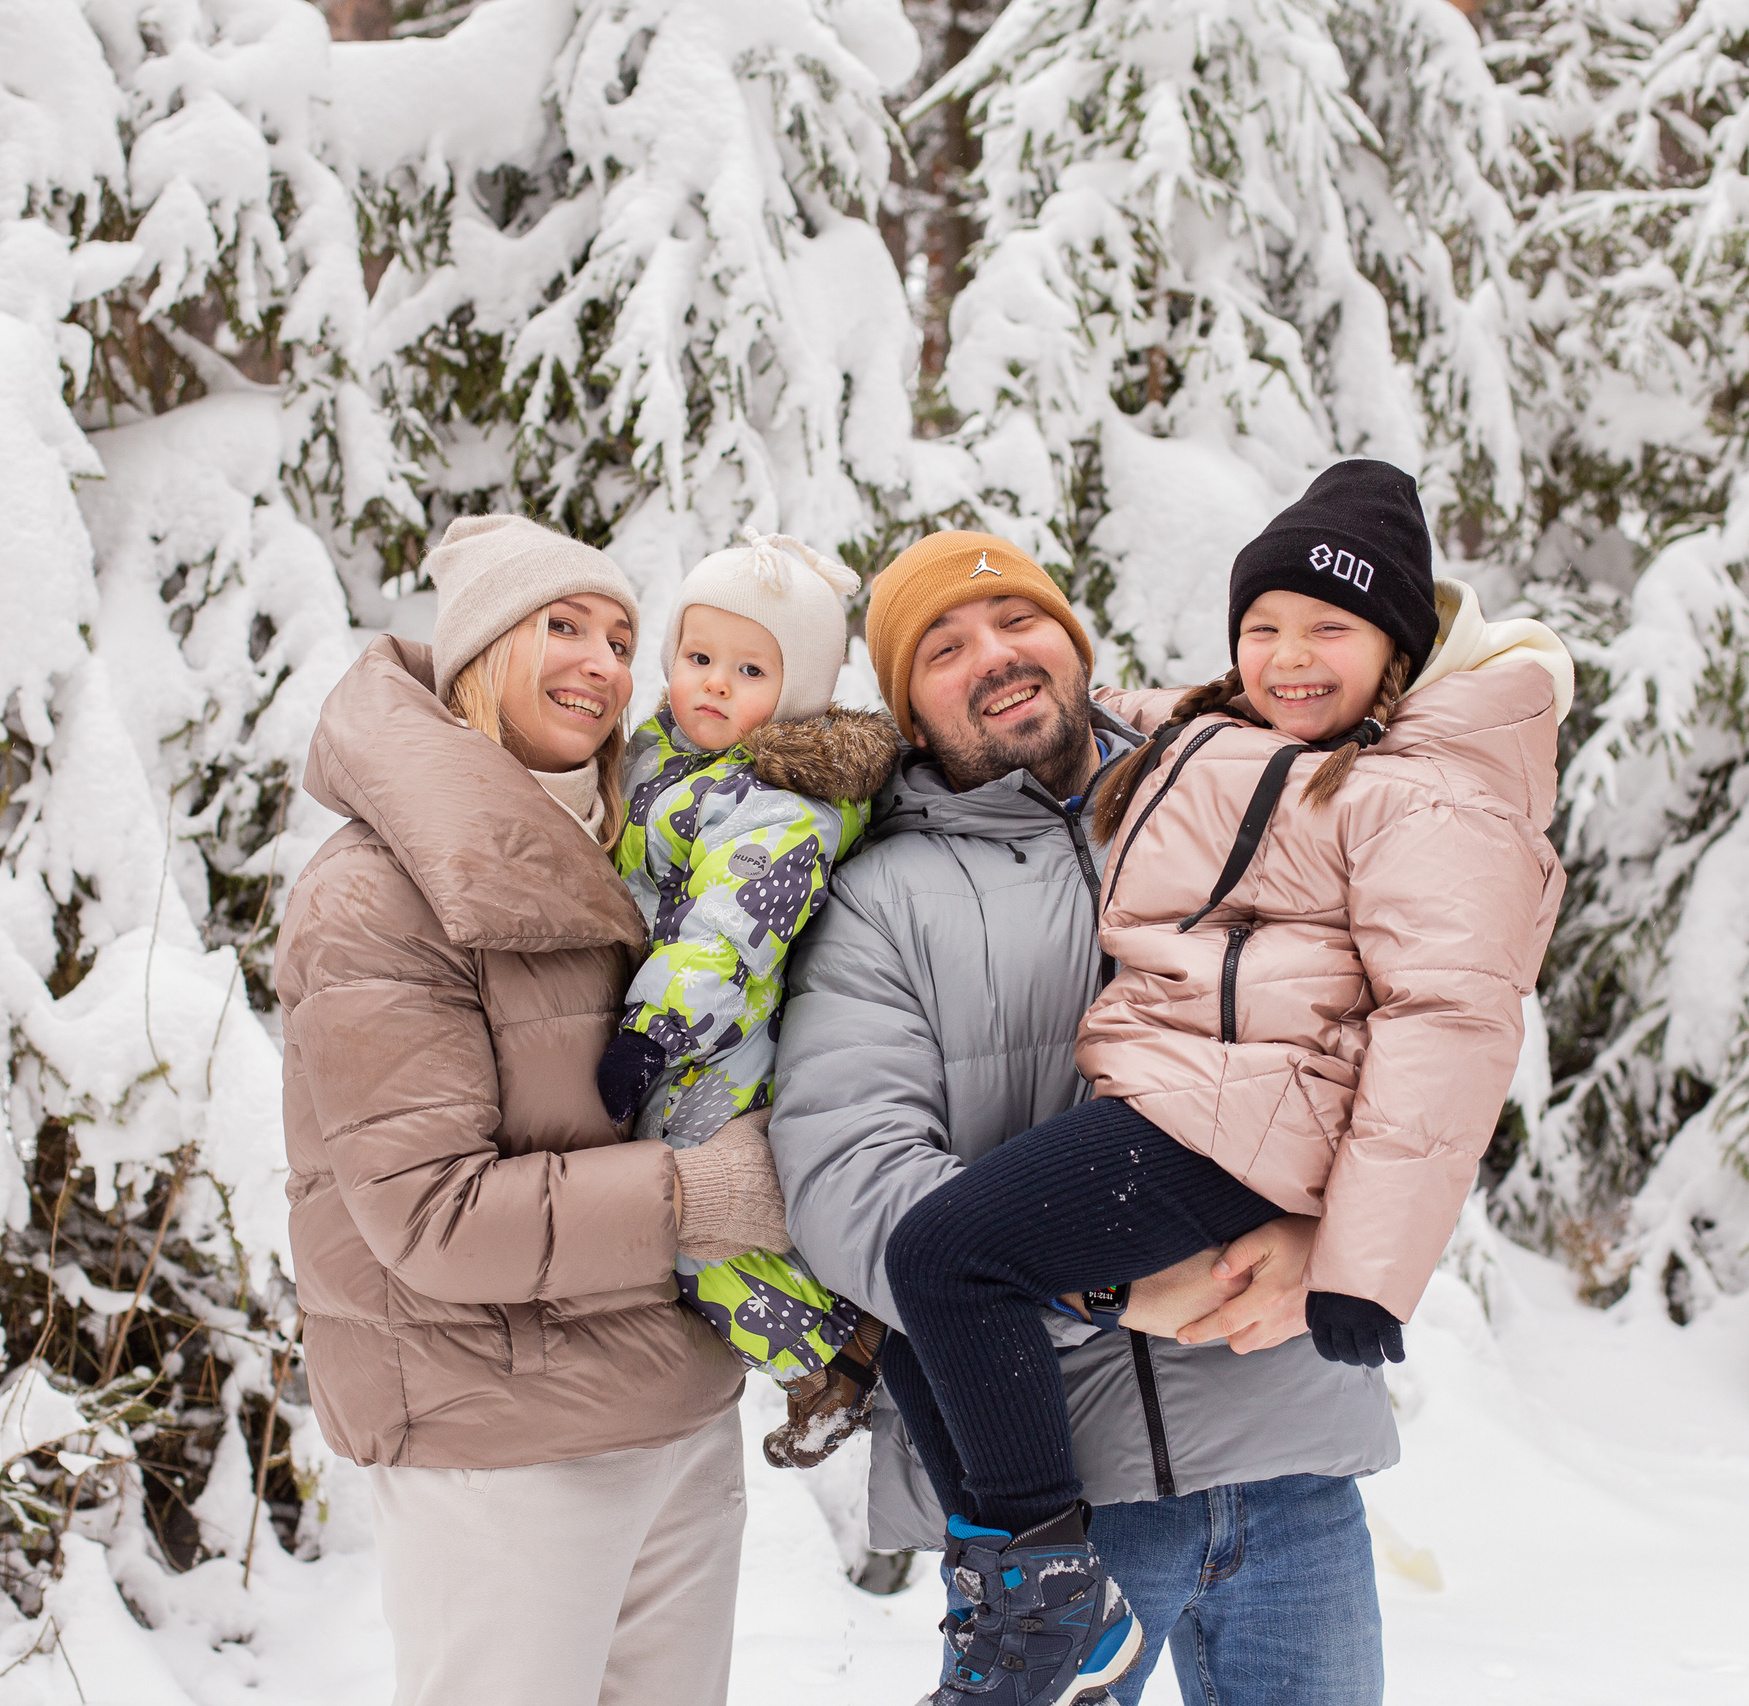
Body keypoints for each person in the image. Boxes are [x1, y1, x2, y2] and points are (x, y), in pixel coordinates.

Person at [873, 460, 1576, 1706]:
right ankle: (1025, 1587)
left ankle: (1053, 1604)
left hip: (1241, 1120)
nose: (1289, 657)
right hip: (1199, 1105)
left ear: (1400, 647)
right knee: (923, 1292)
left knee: (943, 1257)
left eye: (1330, 629)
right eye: (1262, 628)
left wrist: (1359, 1262)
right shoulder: (1247, 739)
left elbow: (1451, 1022)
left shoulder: (1421, 789)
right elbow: (1129, 721)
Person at [768, 506, 1424, 1706]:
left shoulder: (1247, 795)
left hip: (1289, 1453)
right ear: (909, 711)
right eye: (945, 646)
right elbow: (846, 1183)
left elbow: (1403, 1057)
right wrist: (1102, 1289)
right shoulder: (878, 899)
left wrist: (1329, 1242)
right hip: (1071, 1496)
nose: (996, 653)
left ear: (1072, 641)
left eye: (1018, 617)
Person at [273, 514, 793, 1706]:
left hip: (675, 1405)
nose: (602, 663)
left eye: (619, 635)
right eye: (561, 626)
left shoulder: (635, 851)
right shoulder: (373, 894)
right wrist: (703, 1194)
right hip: (499, 1440)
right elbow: (432, 1212)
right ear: (479, 650)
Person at [596, 533, 900, 1468]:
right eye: (698, 659)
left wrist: (650, 1034)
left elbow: (729, 936)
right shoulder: (659, 753)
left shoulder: (784, 799)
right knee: (677, 1228)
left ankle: (835, 1358)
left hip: (716, 1043)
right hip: (673, 1023)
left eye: (749, 669)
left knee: (699, 1233)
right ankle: (827, 1345)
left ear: (799, 689)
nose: (714, 685)